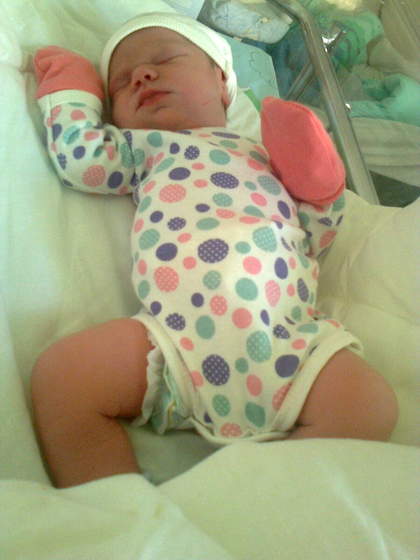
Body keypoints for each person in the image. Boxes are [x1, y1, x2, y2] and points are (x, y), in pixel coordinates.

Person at [31, 12, 398, 488]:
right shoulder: (146, 148)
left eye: (165, 59)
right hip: (173, 344)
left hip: (283, 336)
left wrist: (319, 184)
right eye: (120, 83)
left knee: (370, 405)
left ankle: (264, 498)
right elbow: (82, 159)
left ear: (223, 83)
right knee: (62, 378)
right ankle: (117, 510)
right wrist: (74, 92)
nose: (141, 75)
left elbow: (314, 235)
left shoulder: (268, 155)